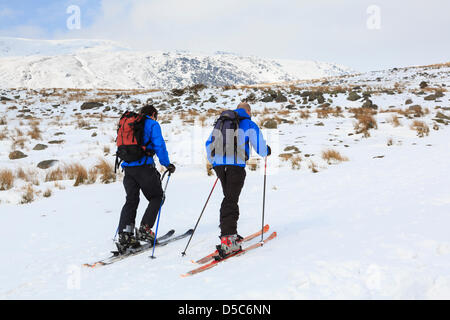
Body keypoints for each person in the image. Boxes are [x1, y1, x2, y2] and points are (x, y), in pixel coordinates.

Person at [205, 102, 271, 257]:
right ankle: (228, 240)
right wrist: (267, 151)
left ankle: (229, 233)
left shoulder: (221, 122)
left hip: (220, 166)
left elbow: (209, 144)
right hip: (235, 166)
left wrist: (215, 162)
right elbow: (260, 148)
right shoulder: (248, 123)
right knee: (231, 199)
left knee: (229, 198)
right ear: (247, 111)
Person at [117, 104, 176, 252]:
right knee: (157, 197)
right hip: (144, 167)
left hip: (128, 167)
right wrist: (167, 164)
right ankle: (145, 228)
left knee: (131, 200)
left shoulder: (130, 124)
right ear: (154, 113)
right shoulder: (152, 124)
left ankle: (125, 234)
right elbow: (159, 146)